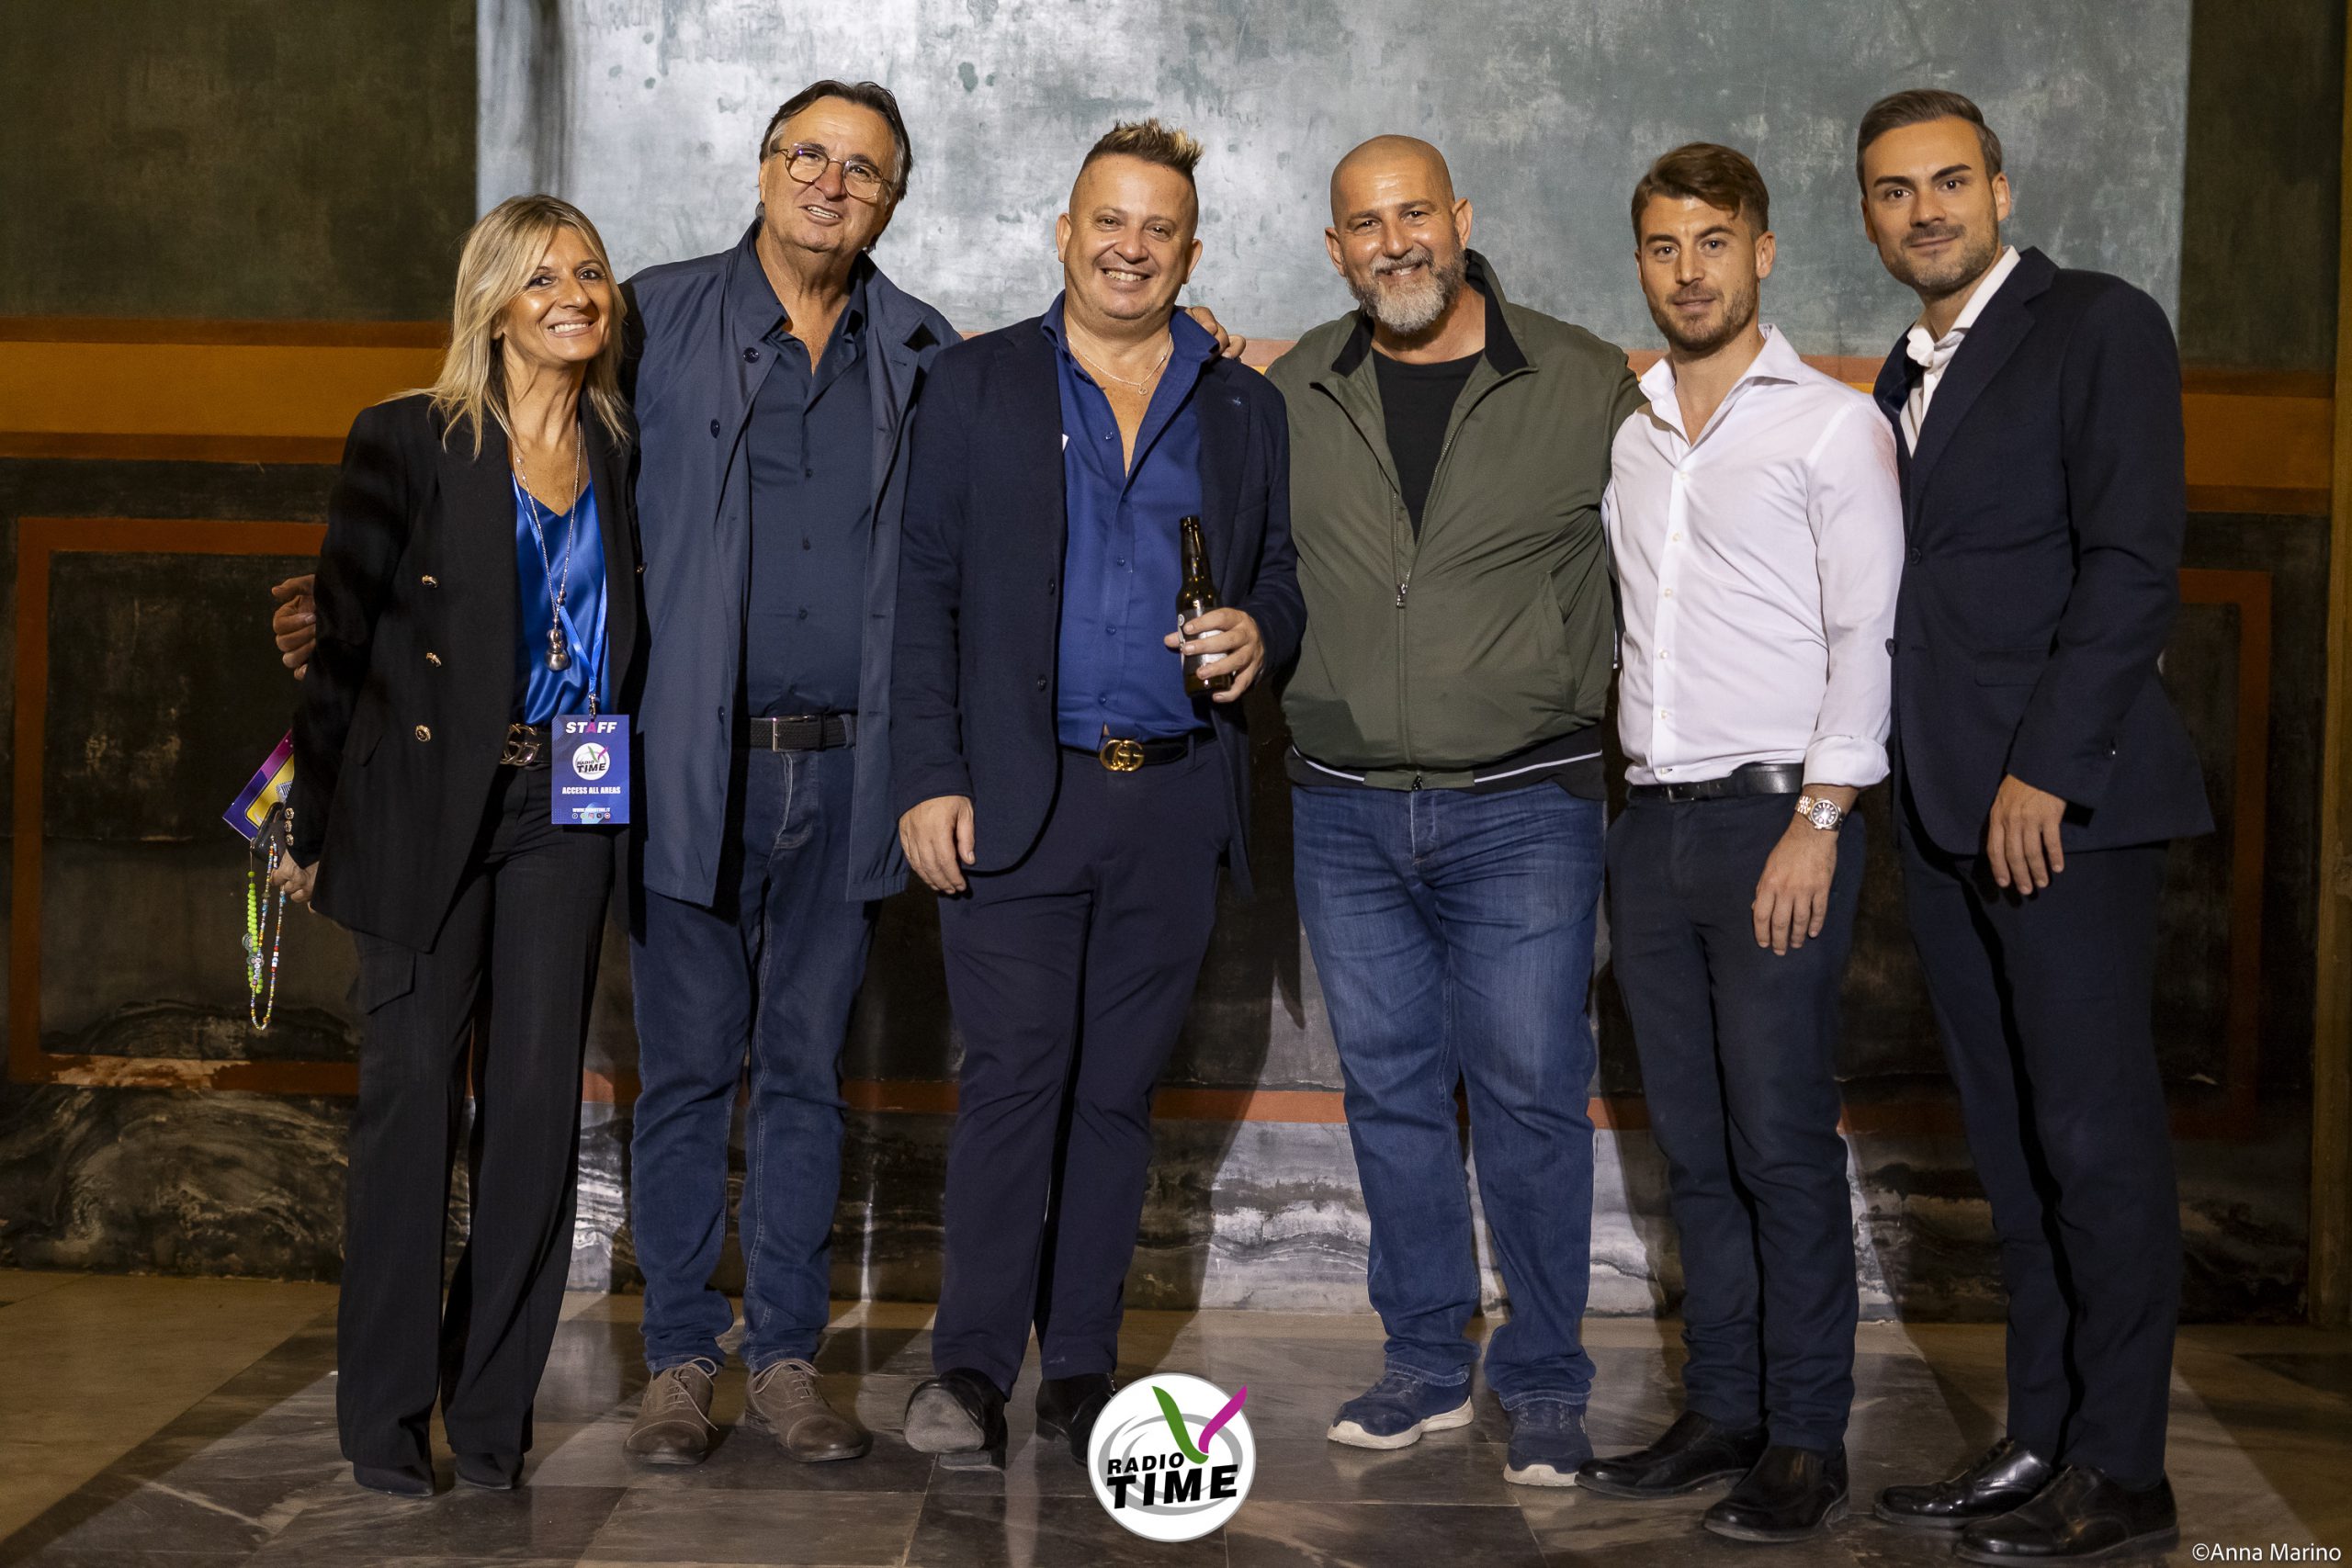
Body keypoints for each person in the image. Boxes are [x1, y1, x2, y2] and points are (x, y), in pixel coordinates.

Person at [270, 82, 1248, 1468]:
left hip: (851, 776)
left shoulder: (926, 352)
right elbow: (503, 453)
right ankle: (680, 1362)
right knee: (679, 1075)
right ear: (766, 165)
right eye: (810, 155)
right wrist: (363, 615)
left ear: (893, 201)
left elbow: (1058, 411)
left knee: (805, 1074)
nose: (832, 184)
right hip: (679, 766)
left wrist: (1202, 347)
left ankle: (784, 1361)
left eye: (865, 170)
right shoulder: (648, 320)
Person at [890, 119, 1301, 1468]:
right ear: (1064, 234)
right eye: (1108, 222)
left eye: (1158, 229)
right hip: (1018, 799)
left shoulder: (1243, 406)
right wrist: (930, 776)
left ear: (1192, 251)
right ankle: (968, 1369)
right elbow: (923, 591)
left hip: (1174, 803)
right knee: (1015, 1082)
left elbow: (1280, 577)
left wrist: (1261, 631)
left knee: (1117, 1097)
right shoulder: (975, 384)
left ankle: (1078, 1367)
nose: (1131, 248)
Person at [1854, 90, 2211, 1563]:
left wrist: (2047, 773)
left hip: (2066, 811)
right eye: (1894, 191)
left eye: (1950, 181)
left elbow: (2133, 563)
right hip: (1949, 808)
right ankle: (2043, 1436)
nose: (1925, 210)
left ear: (2000, 189)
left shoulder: (2100, 325)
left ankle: (2126, 1472)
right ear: (1869, 216)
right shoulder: (1903, 369)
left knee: (2094, 1138)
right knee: (2013, 1145)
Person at [1264, 136, 1643, 1488]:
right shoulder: (1293, 387)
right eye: (1365, 224)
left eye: (1414, 212)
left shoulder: (1583, 379)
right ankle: (1423, 1362)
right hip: (1344, 808)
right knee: (1391, 1094)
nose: (1395, 242)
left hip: (1528, 800)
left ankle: (1543, 1380)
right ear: (1336, 248)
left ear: (1461, 218)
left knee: (1532, 1092)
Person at [280, 195, 639, 1496]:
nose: (572, 295)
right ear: (491, 303)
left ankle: (491, 1414)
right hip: (424, 806)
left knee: (537, 1116)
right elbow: (339, 648)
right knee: (411, 1110)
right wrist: (312, 825)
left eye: (588, 272)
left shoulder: (621, 446)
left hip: (571, 799)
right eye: (540, 277)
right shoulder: (405, 439)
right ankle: (384, 1421)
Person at [1574, 144, 1902, 1542]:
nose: (1689, 270)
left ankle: (1808, 1438)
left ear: (1763, 253)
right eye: (1664, 246)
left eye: (1714, 242)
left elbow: (1867, 635)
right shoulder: (1632, 430)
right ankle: (1723, 1410)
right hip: (1651, 826)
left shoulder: (1834, 428)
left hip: (1782, 820)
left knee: (1779, 1141)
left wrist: (1821, 820)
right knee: (1694, 1150)